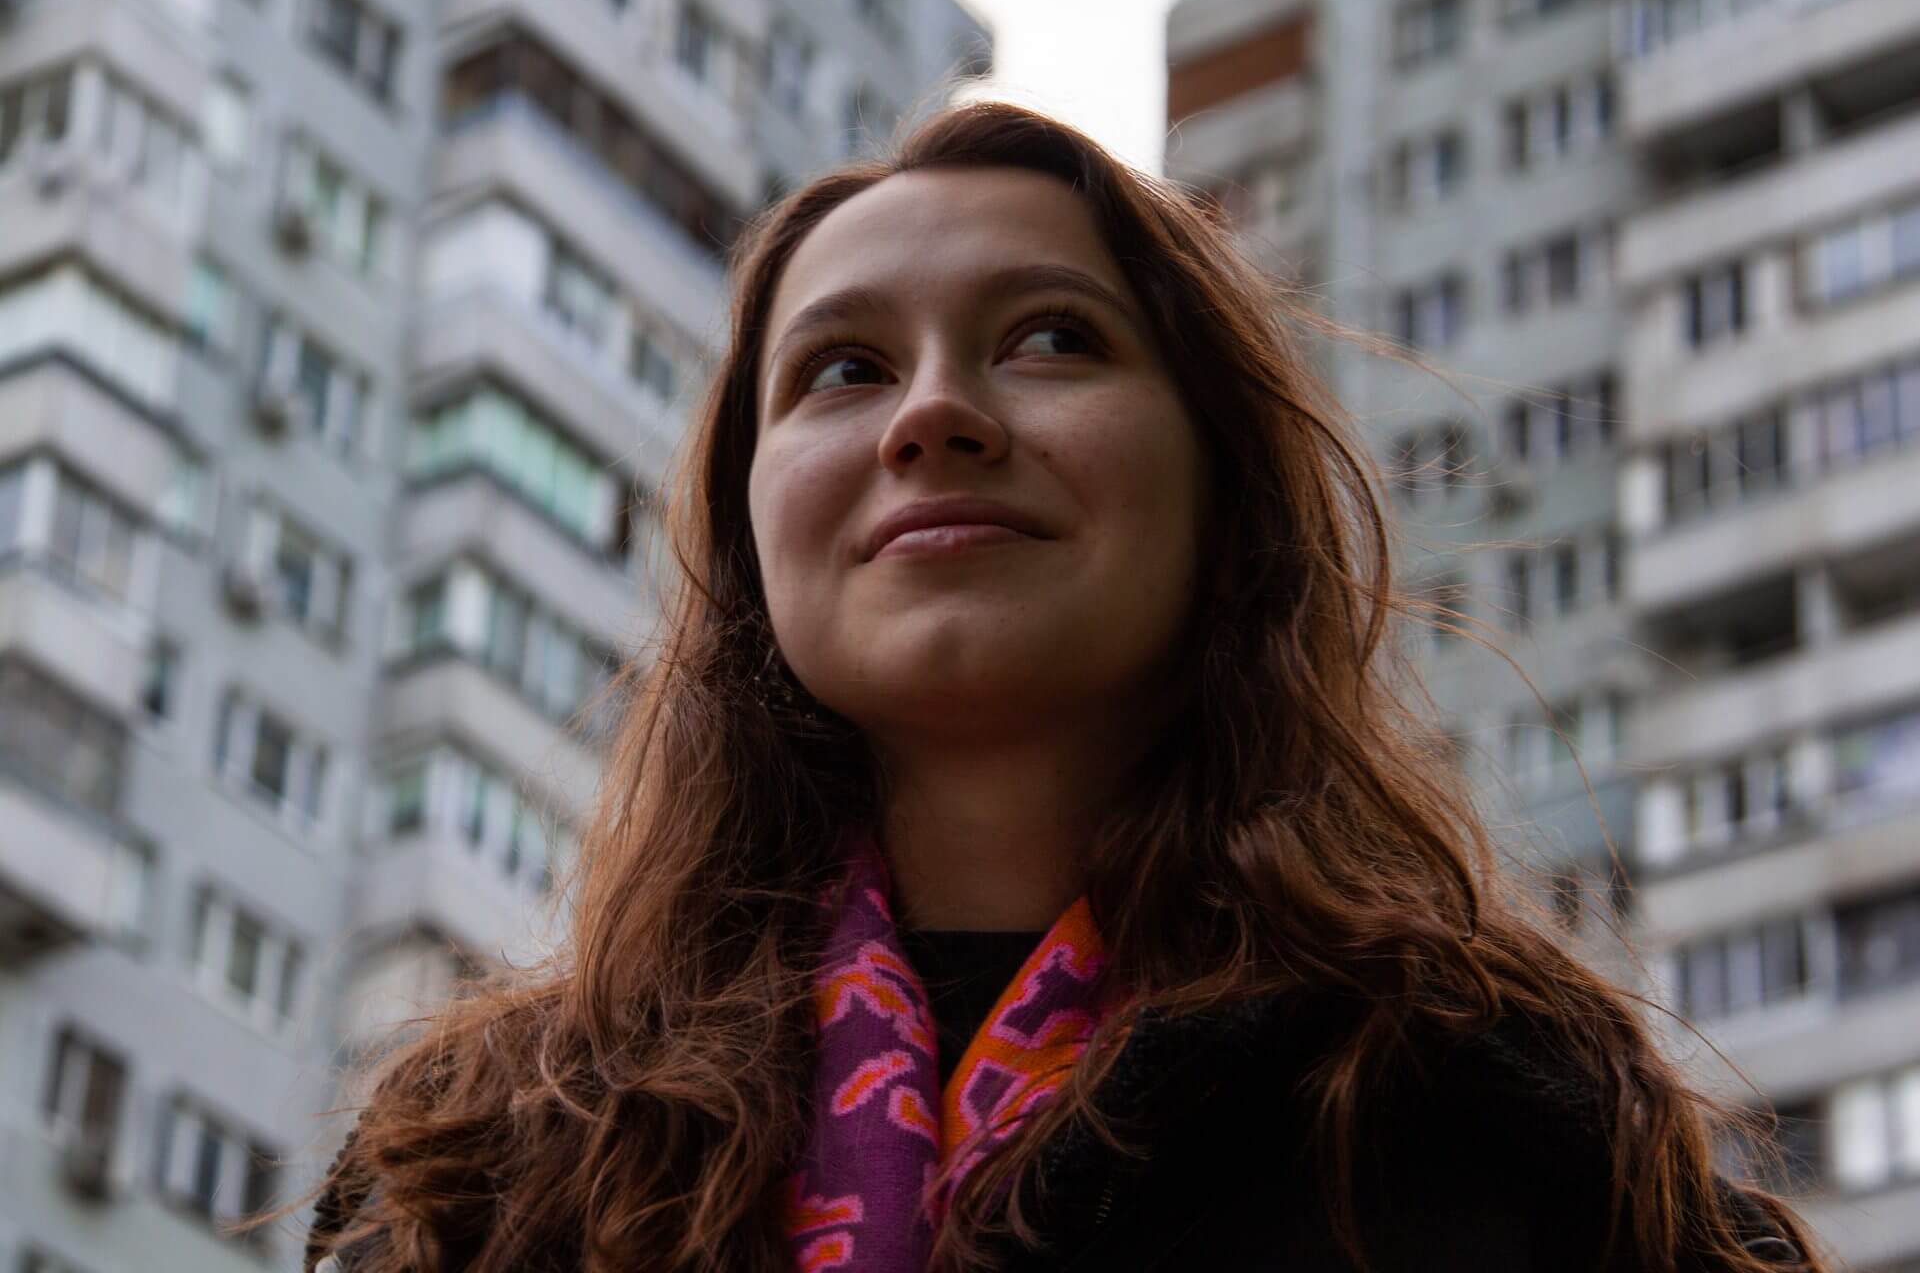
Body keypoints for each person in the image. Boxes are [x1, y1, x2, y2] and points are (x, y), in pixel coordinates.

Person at [302, 102, 1820, 1273]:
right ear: (748, 530)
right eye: (841, 370)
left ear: (1224, 500)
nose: (936, 415)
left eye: (1050, 339)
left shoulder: (1494, 1123)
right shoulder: (477, 1177)